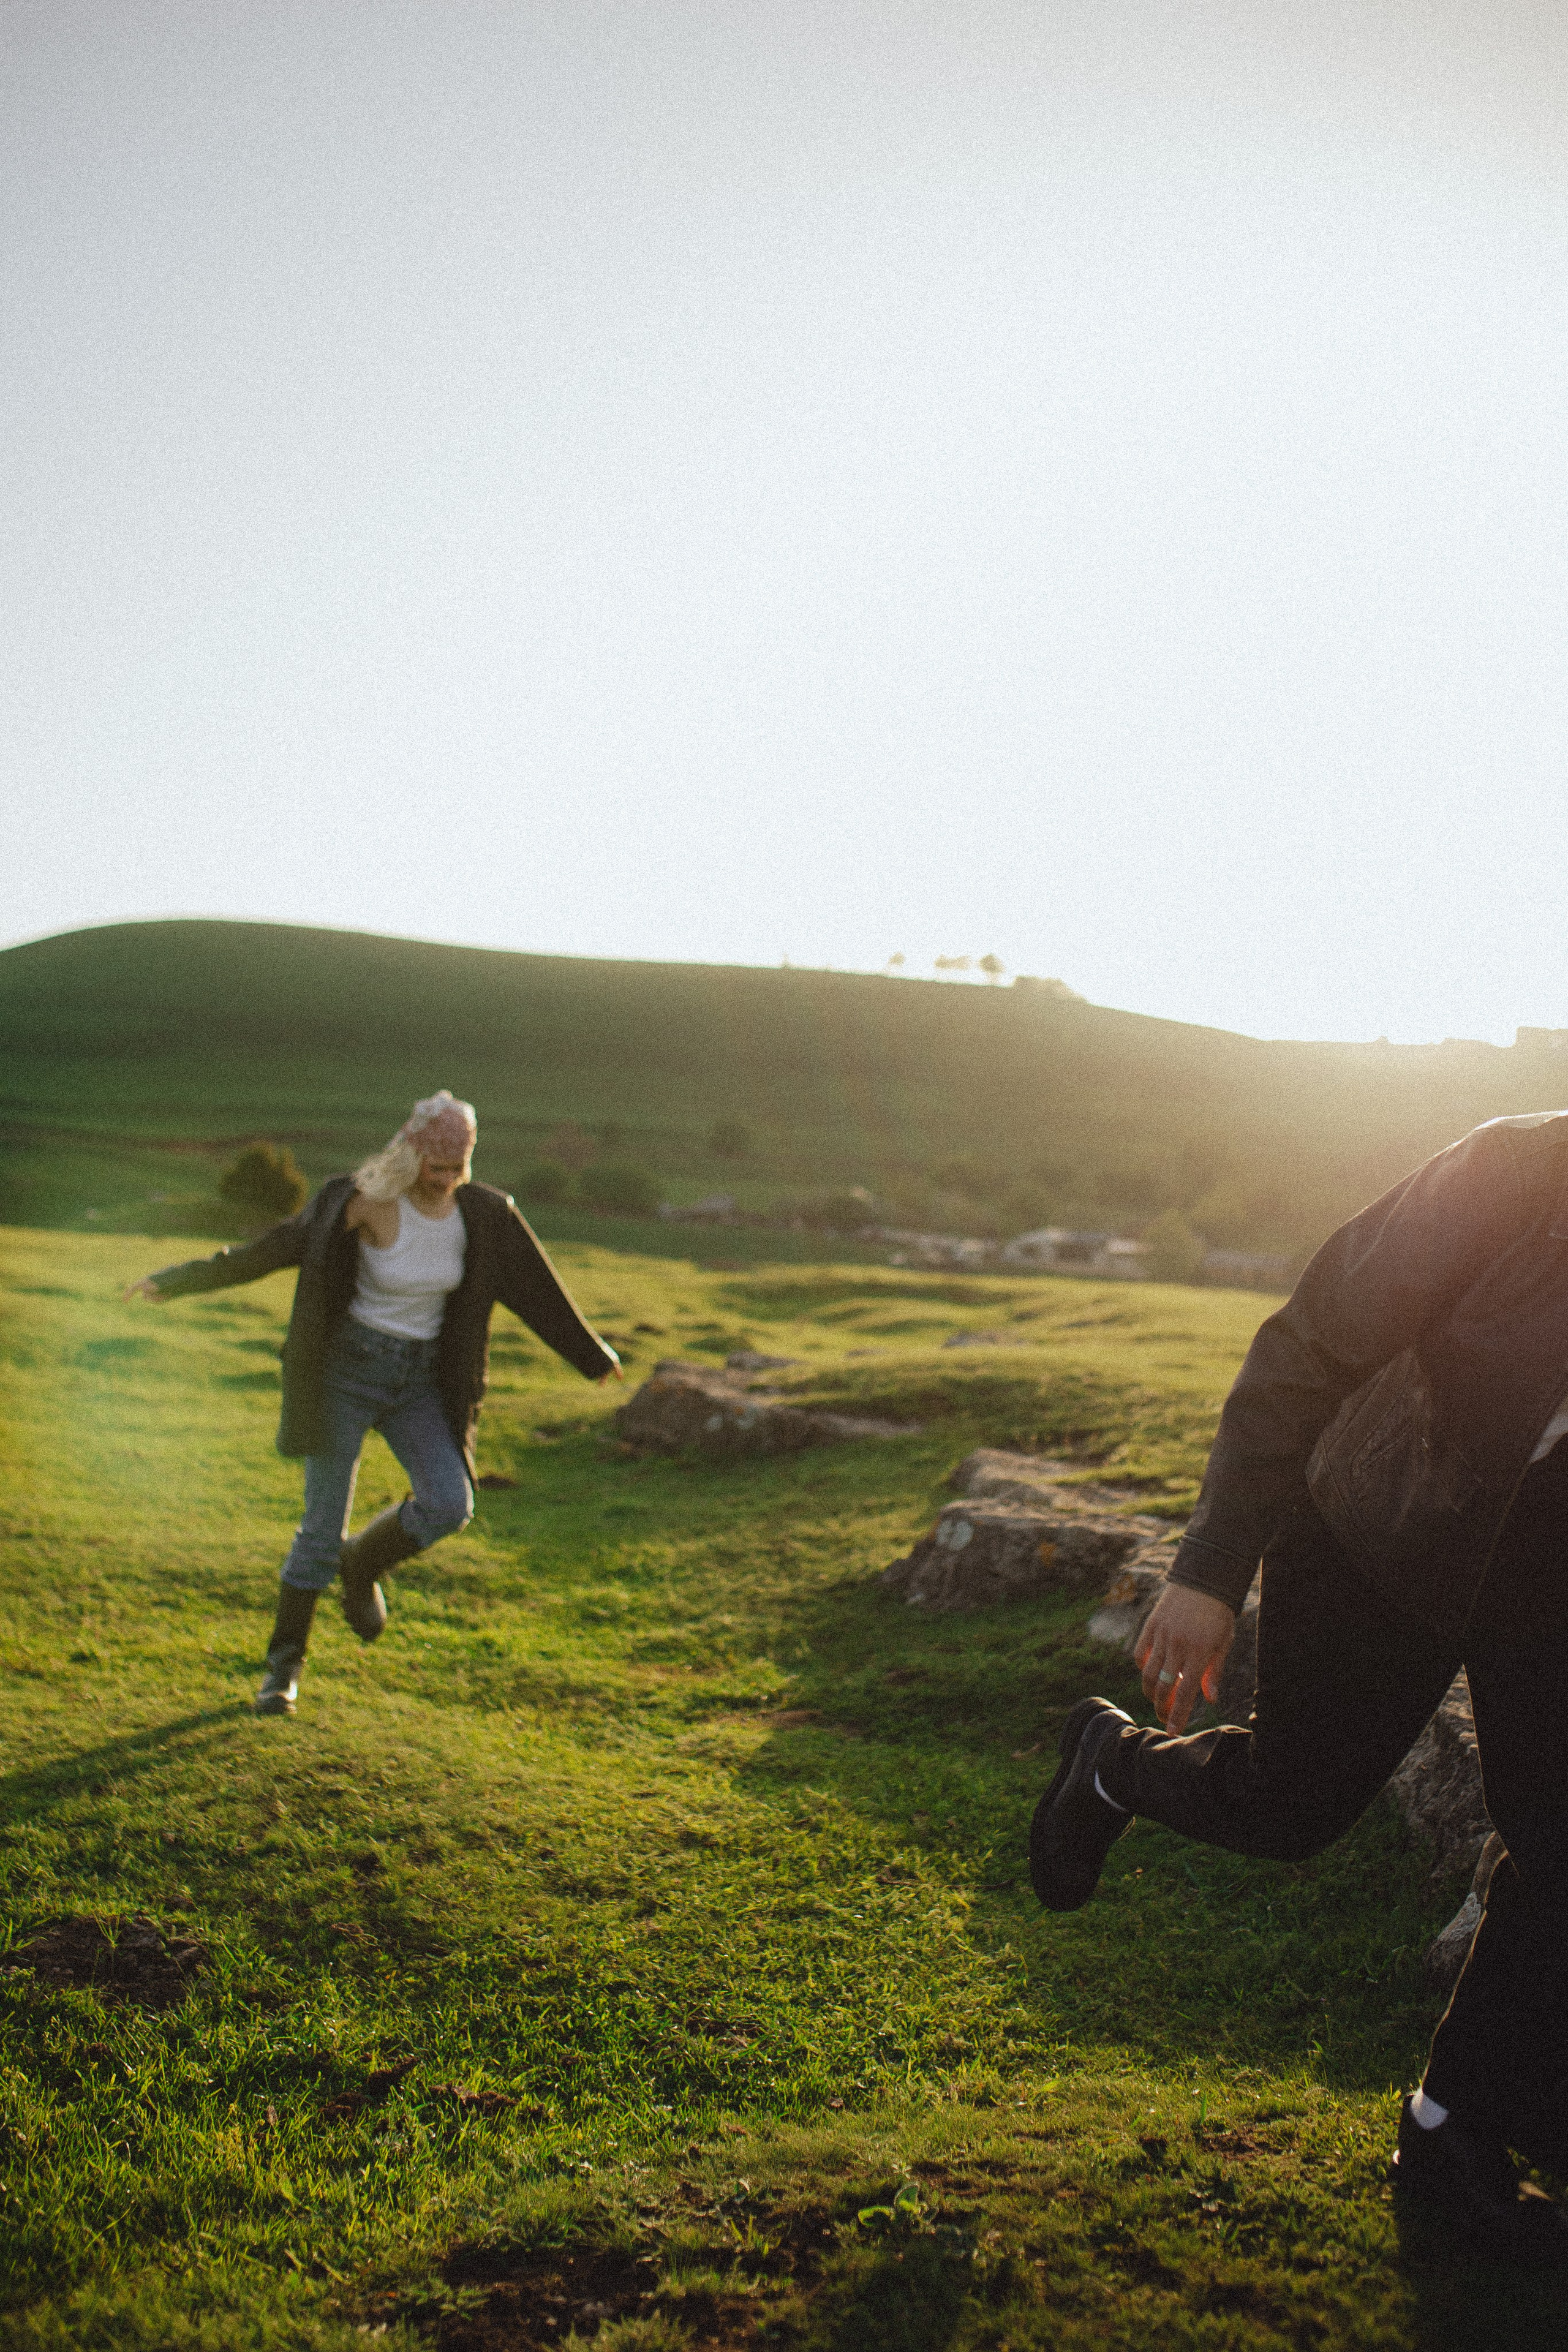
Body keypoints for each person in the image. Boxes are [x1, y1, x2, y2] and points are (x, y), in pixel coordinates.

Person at [1027, 1109, 1568, 2264]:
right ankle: (1111, 1766)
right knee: (1292, 1806)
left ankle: (1452, 2132)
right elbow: (1308, 1342)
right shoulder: (1521, 1168)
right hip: (1383, 1524)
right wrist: (1214, 1567)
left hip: (1548, 1575)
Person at [126, 1091, 621, 1717]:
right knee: (318, 1531)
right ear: (410, 1152)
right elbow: (276, 1248)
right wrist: (177, 1280)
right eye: (435, 1167)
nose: (445, 1180)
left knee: (449, 1504)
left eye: (456, 1168)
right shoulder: (362, 1200)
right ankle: (282, 1671)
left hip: (420, 1384)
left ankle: (362, 1563)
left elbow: (535, 1286)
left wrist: (592, 1356)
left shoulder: (485, 1214)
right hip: (346, 1375)